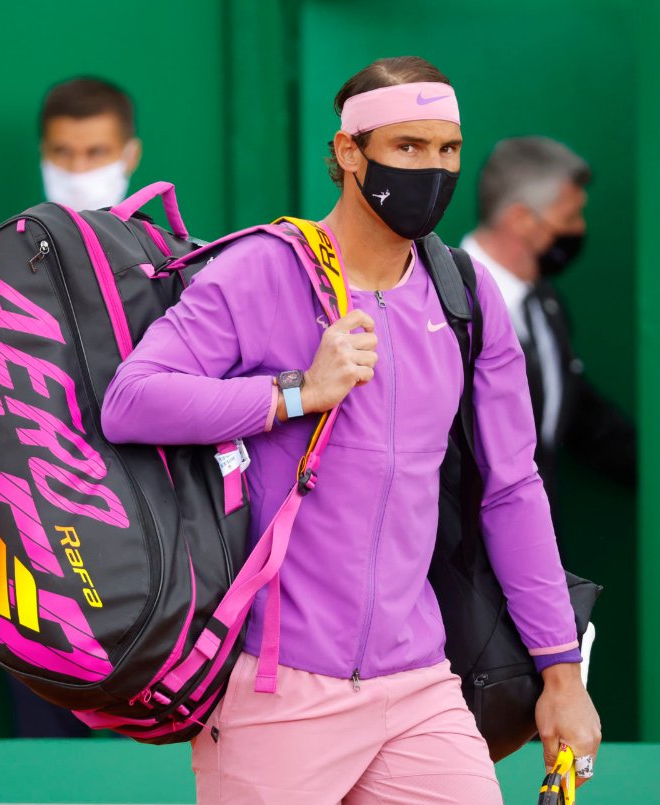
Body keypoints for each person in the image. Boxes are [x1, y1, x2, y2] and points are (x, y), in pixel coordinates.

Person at [101, 56, 600, 803]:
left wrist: (562, 674)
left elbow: (512, 490)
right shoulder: (260, 269)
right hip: (276, 691)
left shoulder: (467, 294)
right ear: (349, 152)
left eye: (447, 149)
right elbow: (130, 401)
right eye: (408, 146)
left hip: (421, 687)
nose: (432, 168)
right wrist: (295, 393)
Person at [0, 76, 141, 738]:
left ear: (129, 154)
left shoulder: (169, 264)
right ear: (42, 154)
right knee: (46, 754)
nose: (79, 169)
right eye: (63, 153)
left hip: (145, 548)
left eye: (96, 152)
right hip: (25, 549)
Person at [461, 137, 636, 555]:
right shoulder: (446, 307)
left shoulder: (545, 302)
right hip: (469, 561)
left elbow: (576, 415)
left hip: (536, 555)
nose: (578, 230)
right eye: (570, 216)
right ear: (521, 220)